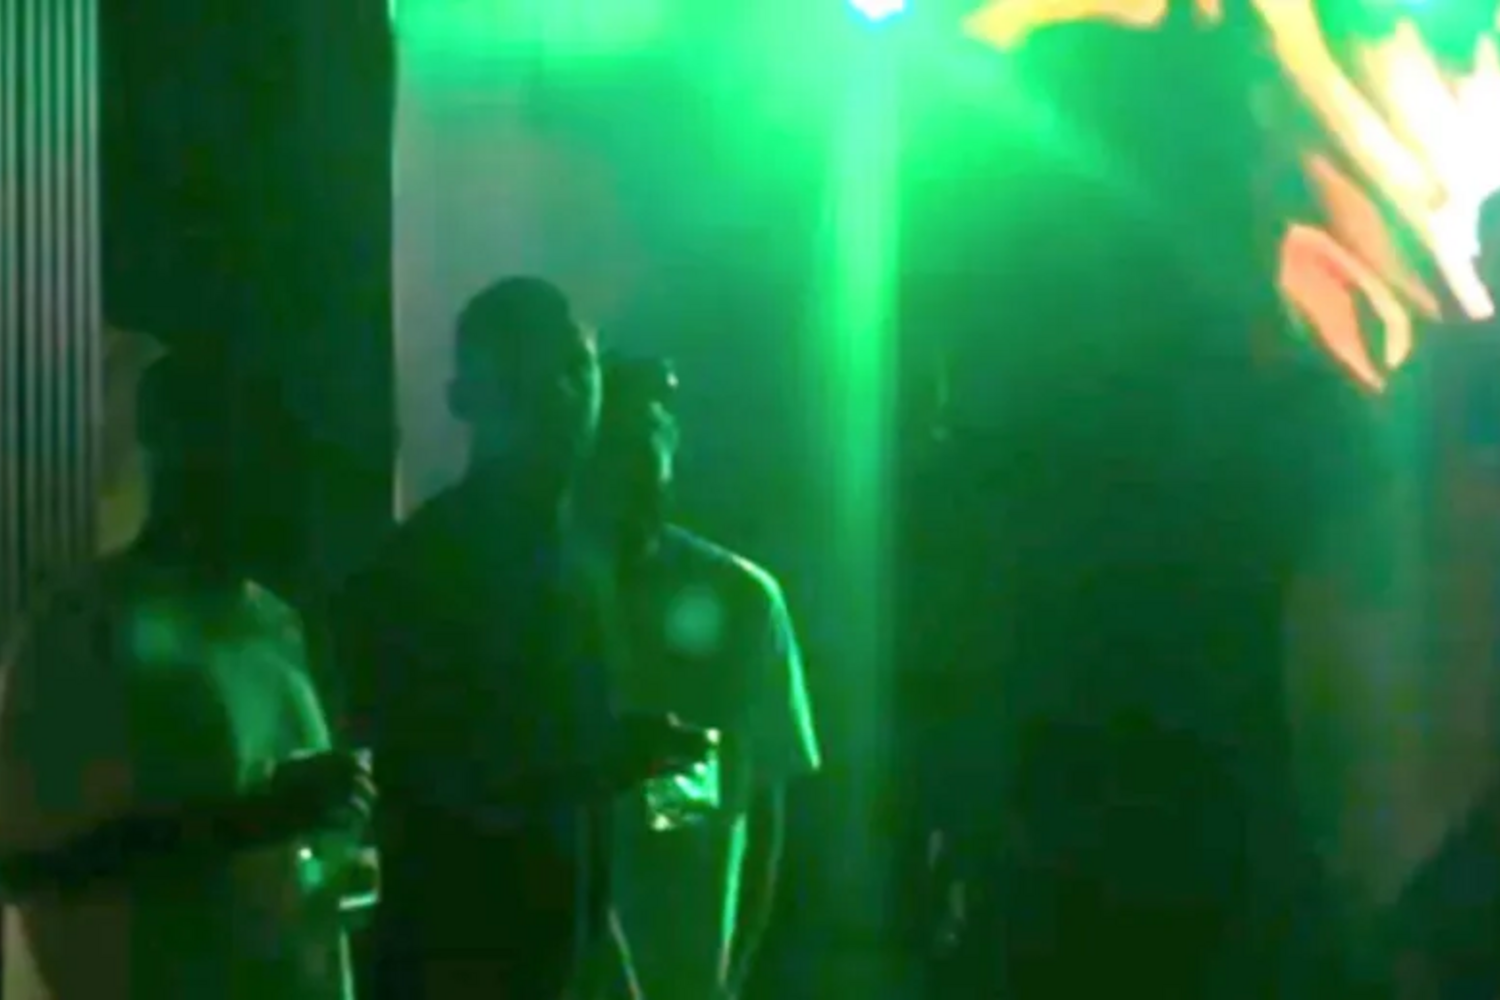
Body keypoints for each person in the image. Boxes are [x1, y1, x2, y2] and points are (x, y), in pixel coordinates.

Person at [332, 278, 709, 1000]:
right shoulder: (426, 565)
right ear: (467, 399)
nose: (564, 395)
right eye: (530, 373)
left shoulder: (581, 560)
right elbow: (412, 775)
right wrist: (596, 758)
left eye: (577, 367)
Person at [0, 349, 371, 1000]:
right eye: (243, 443)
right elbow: (32, 864)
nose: (279, 472)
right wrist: (251, 823)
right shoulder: (87, 627)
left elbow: (297, 844)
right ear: (173, 448)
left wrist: (332, 825)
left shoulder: (274, 622)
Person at [585, 356, 822, 1000]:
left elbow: (764, 805)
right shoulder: (537, 600)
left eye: (642, 444)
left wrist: (730, 976)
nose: (628, 474)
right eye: (613, 448)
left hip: (683, 971)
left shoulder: (741, 598)